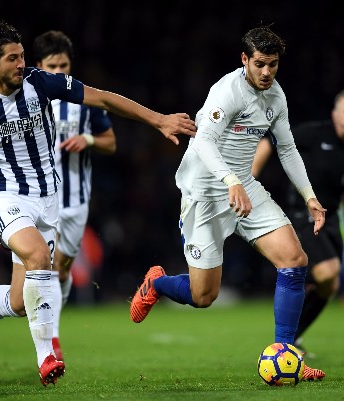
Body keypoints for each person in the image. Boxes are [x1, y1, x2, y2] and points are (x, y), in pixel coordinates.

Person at [0, 21, 196, 386]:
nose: (21, 64)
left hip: (47, 198)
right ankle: (47, 357)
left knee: (20, 303)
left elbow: (103, 98)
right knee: (39, 258)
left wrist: (158, 119)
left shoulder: (40, 83)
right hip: (4, 197)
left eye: (22, 56)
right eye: (12, 58)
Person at [129, 25, 327, 381]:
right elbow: (204, 142)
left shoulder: (276, 97)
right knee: (204, 296)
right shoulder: (227, 92)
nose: (266, 72)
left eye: (273, 64)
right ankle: (157, 284)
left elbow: (287, 148)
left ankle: (287, 355)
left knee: (294, 260)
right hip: (205, 193)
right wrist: (230, 180)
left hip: (243, 187)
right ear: (244, 59)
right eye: (260, 64)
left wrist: (309, 196)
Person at [251, 88, 344, 352]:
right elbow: (271, 139)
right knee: (327, 271)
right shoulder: (315, 133)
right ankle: (293, 281)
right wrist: (250, 175)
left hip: (331, 217)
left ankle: (292, 338)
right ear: (335, 114)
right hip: (302, 212)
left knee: (329, 285)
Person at [32, 30, 117, 362]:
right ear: (38, 66)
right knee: (48, 267)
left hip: (77, 200)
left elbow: (111, 142)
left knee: (63, 271)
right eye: (52, 66)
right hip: (41, 199)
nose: (59, 72)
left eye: (64, 66)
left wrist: (88, 140)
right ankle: (50, 339)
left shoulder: (83, 99)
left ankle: (51, 330)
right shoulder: (28, 100)